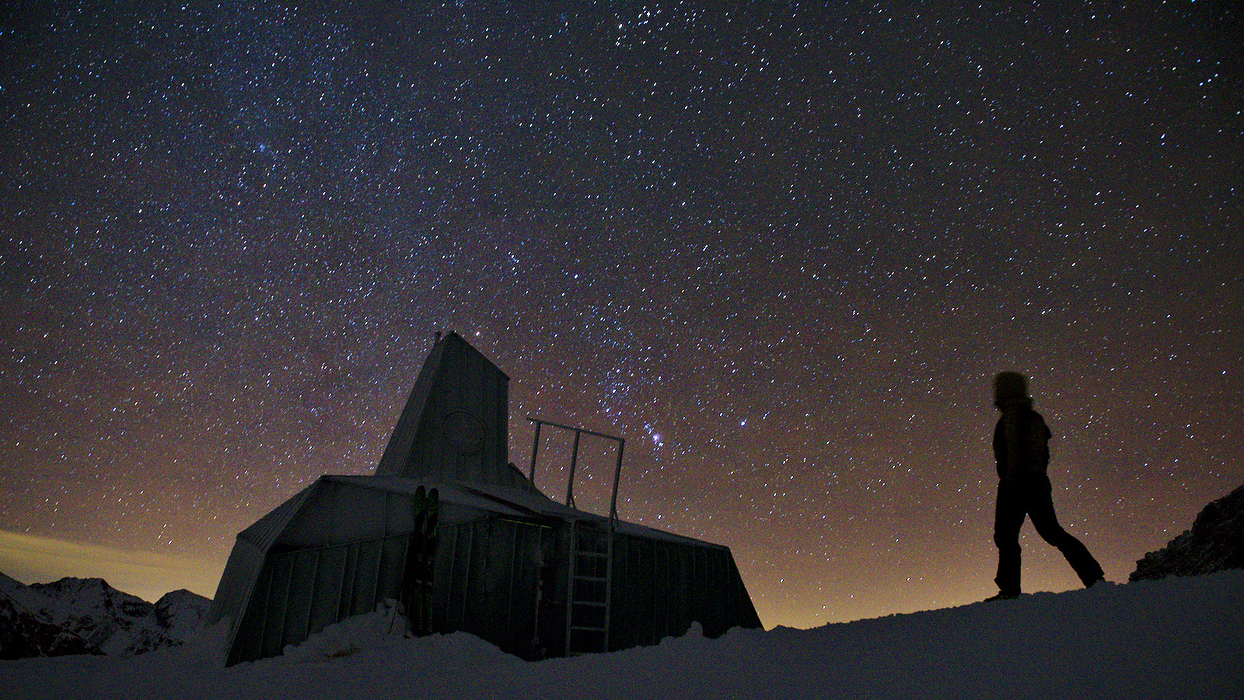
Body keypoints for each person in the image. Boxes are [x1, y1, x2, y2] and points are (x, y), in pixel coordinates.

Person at [988, 371, 1105, 600]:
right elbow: (1041, 454)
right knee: (1050, 533)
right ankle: (1093, 576)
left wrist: (1012, 480)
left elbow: (1013, 451)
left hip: (1017, 484)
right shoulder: (1032, 417)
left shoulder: (1013, 416)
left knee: (1007, 537)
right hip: (1036, 481)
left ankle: (1009, 591)